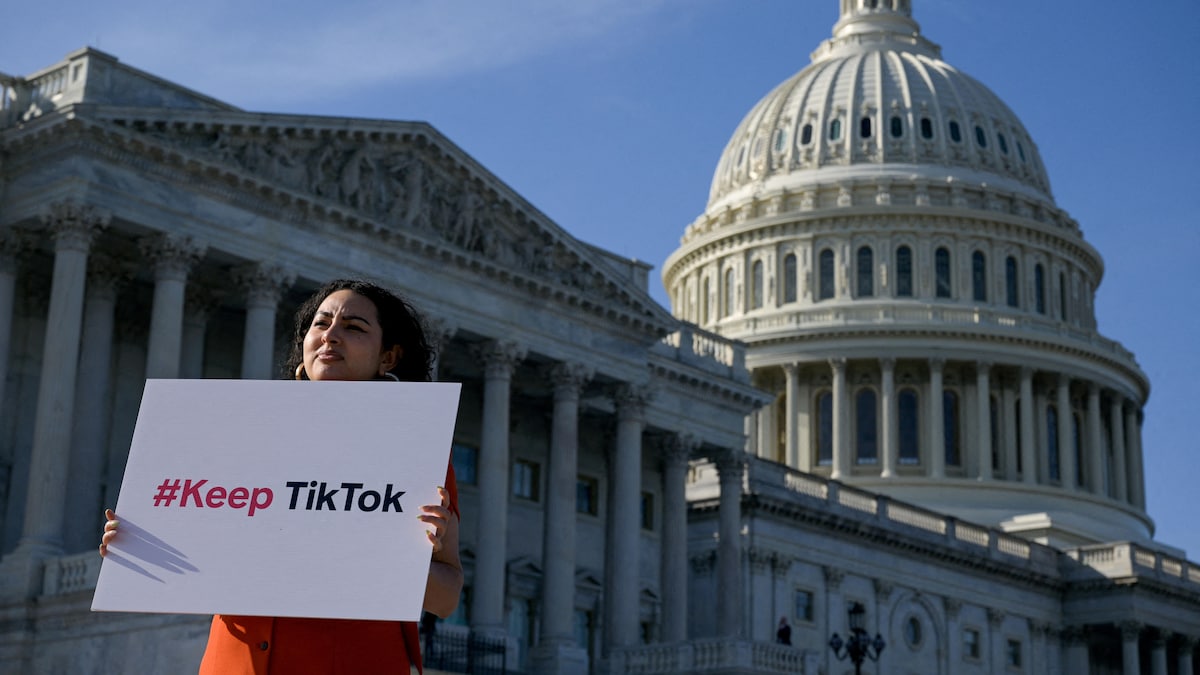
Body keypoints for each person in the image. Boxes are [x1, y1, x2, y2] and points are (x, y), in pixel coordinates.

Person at [100, 278, 463, 674]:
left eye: (353, 327)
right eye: (321, 324)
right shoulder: (239, 432)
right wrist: (141, 543)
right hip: (235, 661)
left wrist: (392, 556)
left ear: (388, 357)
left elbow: (445, 598)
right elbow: (205, 537)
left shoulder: (415, 450)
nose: (331, 337)